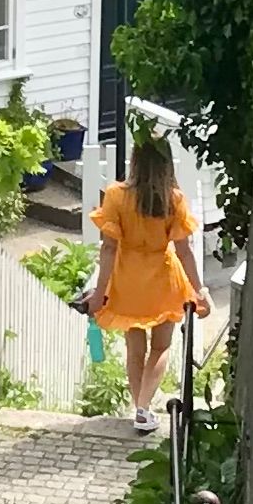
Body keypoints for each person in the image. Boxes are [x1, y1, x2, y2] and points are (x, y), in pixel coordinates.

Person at [80, 134, 212, 433]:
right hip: (163, 278)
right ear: (166, 163)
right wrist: (200, 290)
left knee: (134, 346)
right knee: (162, 347)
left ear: (135, 160)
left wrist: (100, 293)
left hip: (127, 278)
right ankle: (143, 407)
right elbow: (184, 250)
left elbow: (109, 248)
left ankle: (139, 408)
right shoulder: (173, 199)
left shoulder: (115, 194)